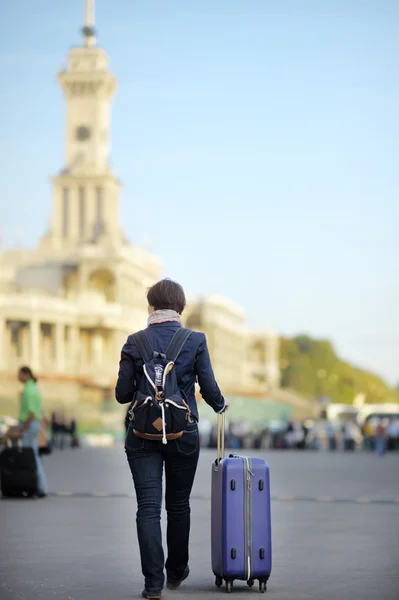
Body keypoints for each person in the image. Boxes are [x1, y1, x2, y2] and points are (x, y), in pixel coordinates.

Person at [115, 279, 229, 599]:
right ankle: (176, 571)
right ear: (180, 308)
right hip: (183, 432)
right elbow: (208, 389)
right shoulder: (195, 340)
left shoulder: (134, 341)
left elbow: (123, 394)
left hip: (141, 435)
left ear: (151, 306)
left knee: (148, 508)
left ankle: (153, 584)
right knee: (178, 505)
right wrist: (221, 405)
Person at [15, 366, 48, 497]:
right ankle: (39, 486)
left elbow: (31, 414)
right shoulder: (33, 388)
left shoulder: (29, 391)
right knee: (33, 456)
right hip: (31, 425)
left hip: (28, 426)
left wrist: (21, 430)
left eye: (19, 374)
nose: (17, 377)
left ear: (26, 374)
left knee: (31, 457)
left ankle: (39, 486)